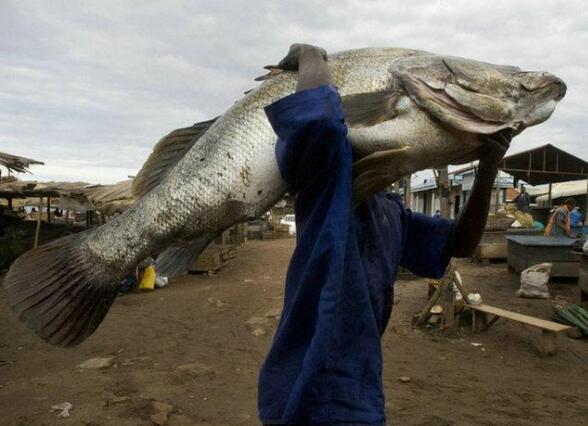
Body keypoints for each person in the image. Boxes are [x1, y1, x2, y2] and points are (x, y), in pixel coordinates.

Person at [258, 44, 511, 426]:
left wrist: (488, 167)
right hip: (307, 382)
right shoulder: (326, 188)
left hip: (359, 383)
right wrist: (311, 56)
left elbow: (459, 244)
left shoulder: (390, 211)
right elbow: (320, 125)